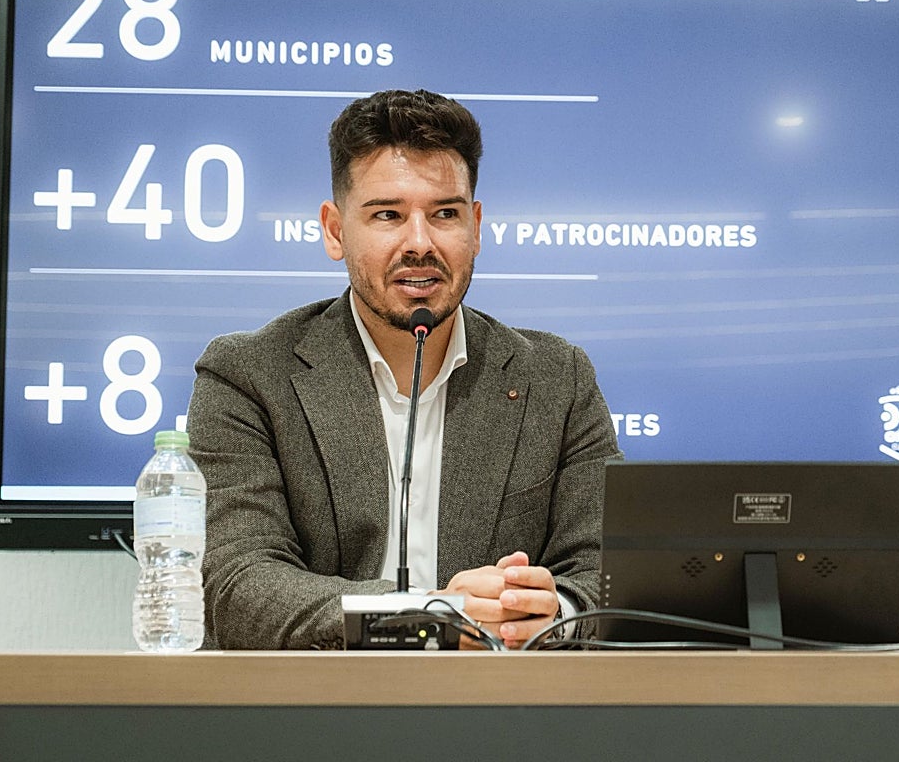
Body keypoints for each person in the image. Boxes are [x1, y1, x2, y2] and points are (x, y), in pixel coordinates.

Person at [187, 89, 620, 650]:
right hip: (312, 716)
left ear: (477, 226)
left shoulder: (557, 379)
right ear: (335, 230)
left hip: (506, 720)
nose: (420, 243)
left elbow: (606, 572)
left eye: (445, 214)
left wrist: (547, 610)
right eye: (388, 215)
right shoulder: (247, 376)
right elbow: (238, 586)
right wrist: (434, 617)